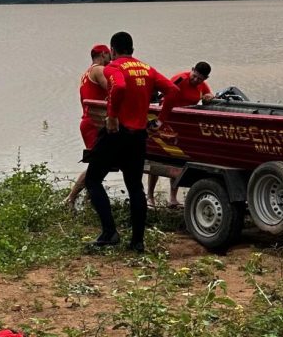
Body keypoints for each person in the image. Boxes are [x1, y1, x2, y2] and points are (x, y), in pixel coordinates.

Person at [85, 31, 178, 253]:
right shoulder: (148, 69)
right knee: (135, 187)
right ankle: (137, 242)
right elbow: (173, 90)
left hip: (116, 132)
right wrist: (160, 121)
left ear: (113, 50)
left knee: (93, 180)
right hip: (138, 136)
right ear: (133, 51)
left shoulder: (113, 67)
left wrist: (113, 115)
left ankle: (110, 233)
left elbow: (119, 87)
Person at [147, 62, 214, 207]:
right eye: (194, 76)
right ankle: (150, 196)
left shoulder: (201, 85)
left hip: (182, 126)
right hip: (167, 121)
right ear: (192, 70)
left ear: (205, 78)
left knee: (177, 159)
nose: (196, 80)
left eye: (200, 79)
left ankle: (172, 198)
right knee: (158, 158)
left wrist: (209, 97)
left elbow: (208, 94)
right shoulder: (180, 79)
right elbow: (164, 97)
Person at [65, 44, 111, 208]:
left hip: (89, 121)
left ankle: (89, 196)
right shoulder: (98, 70)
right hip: (94, 123)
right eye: (109, 55)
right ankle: (70, 198)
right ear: (104, 54)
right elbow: (112, 89)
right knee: (97, 165)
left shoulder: (86, 74)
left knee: (102, 164)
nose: (111, 58)